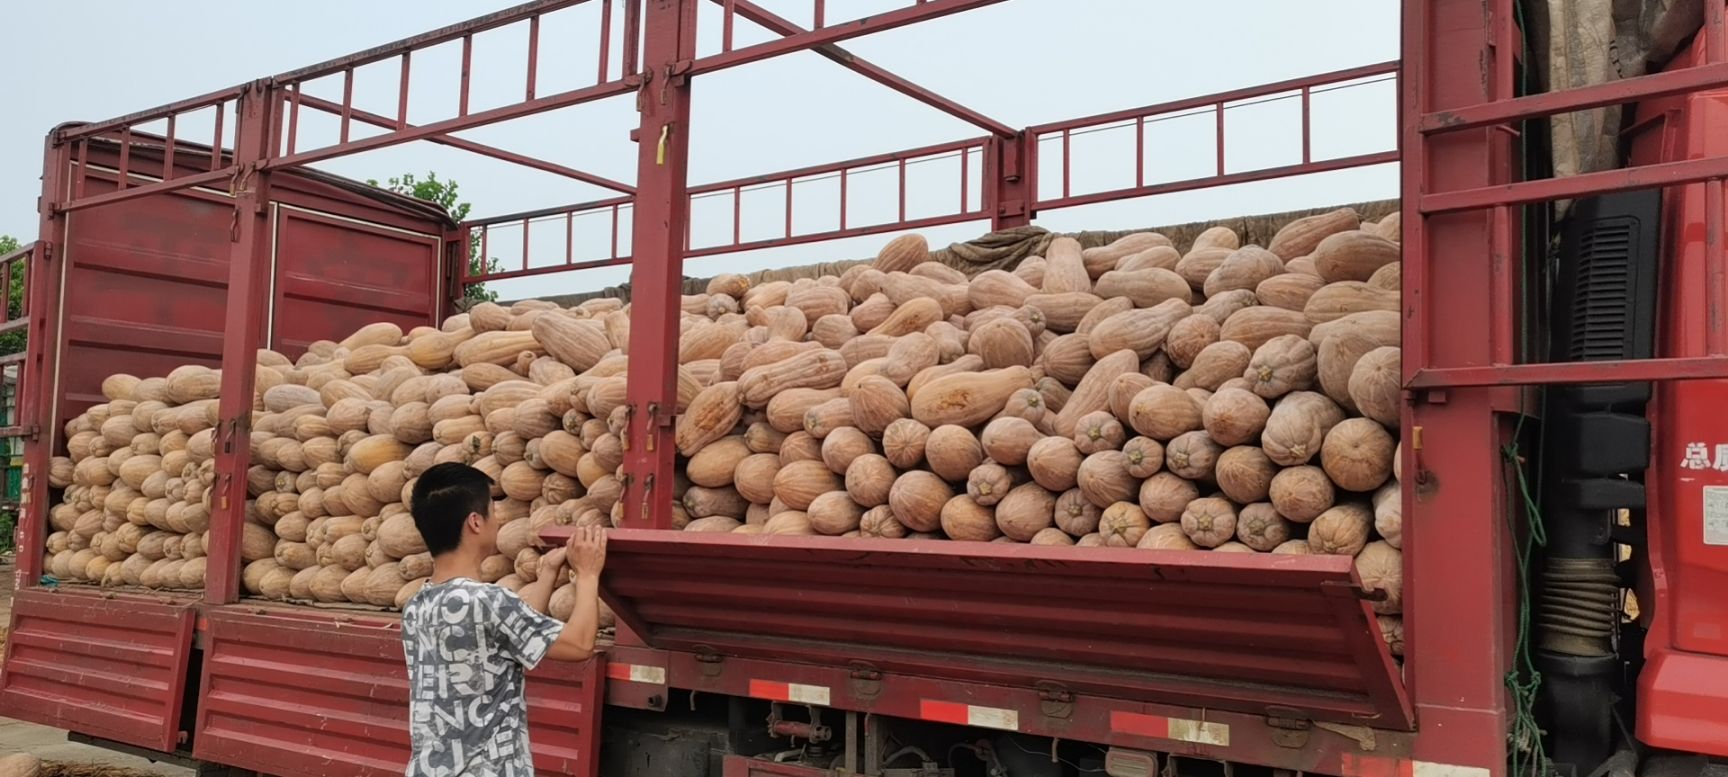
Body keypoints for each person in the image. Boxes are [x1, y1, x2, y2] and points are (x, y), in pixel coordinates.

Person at [399, 462, 608, 777]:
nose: (497, 521)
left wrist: (547, 574)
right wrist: (589, 573)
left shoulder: (417, 606)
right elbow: (579, 645)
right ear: (475, 523)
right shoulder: (489, 602)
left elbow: (509, 636)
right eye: (492, 513)